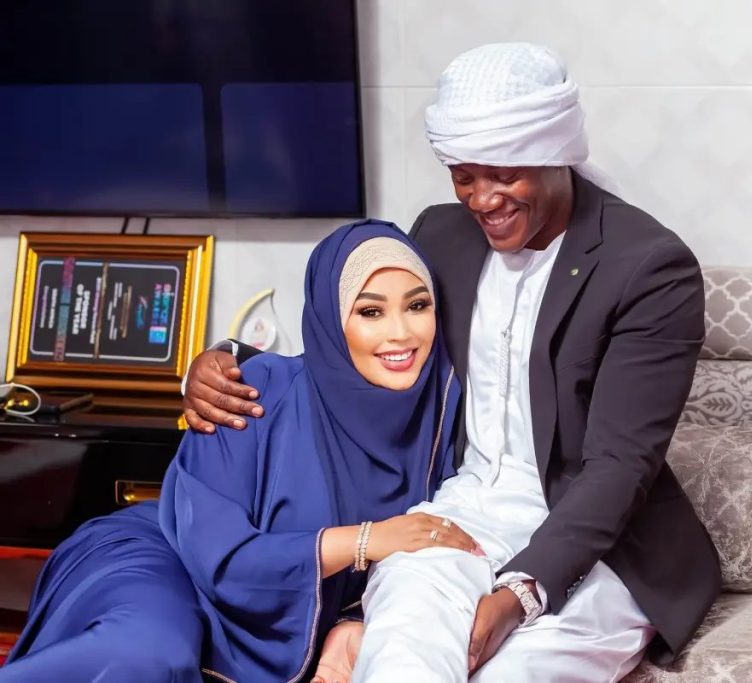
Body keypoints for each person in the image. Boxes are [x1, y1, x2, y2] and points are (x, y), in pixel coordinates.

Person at [183, 43, 721, 682]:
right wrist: (226, 360)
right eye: (463, 176)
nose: (482, 199)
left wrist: (519, 594)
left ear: (555, 153)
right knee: (402, 653)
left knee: (509, 673)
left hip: (602, 542)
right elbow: (365, 341)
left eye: (504, 175)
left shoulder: (648, 267)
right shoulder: (442, 235)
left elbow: (620, 466)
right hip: (461, 511)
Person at [1, 221, 479, 683]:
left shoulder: (443, 411)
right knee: (150, 655)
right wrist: (367, 540)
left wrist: (352, 622)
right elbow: (220, 558)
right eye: (370, 312)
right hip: (170, 556)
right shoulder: (251, 388)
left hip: (279, 612)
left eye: (418, 305)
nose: (401, 333)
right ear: (331, 320)